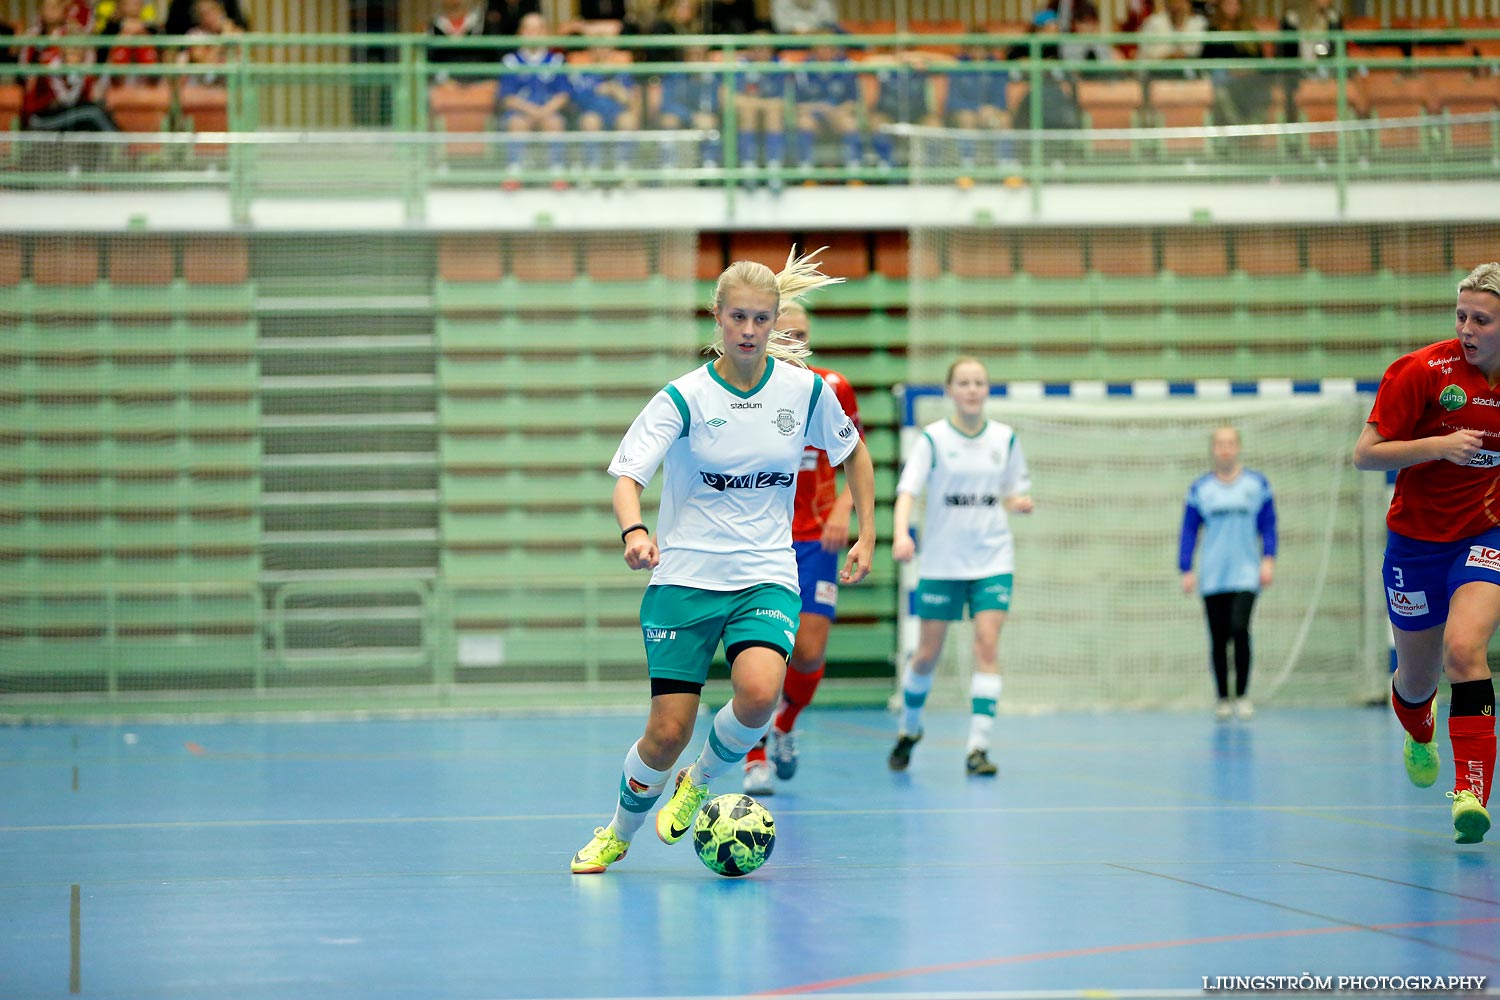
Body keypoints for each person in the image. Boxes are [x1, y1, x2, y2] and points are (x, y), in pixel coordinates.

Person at [570, 247, 876, 874]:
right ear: (716, 316)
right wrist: (634, 529)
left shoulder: (806, 391)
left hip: (764, 573)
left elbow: (855, 453)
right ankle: (618, 831)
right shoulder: (682, 398)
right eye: (737, 317)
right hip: (684, 579)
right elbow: (628, 476)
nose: (749, 331)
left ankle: (701, 782)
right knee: (665, 733)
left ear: (774, 322)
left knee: (760, 694)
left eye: (762, 320)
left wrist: (867, 532)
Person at [1352, 261, 1500, 847]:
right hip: (1415, 545)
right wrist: (1438, 446)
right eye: (1461, 315)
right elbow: (1366, 454)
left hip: (1484, 537)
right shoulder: (1421, 371)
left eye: (1481, 320)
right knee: (1416, 681)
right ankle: (1419, 729)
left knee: (1465, 650)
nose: (1466, 327)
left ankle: (1471, 793)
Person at [740, 303, 864, 795]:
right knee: (759, 653)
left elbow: (855, 455)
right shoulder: (746, 390)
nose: (795, 343)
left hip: (814, 538)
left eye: (802, 334)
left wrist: (844, 509)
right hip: (757, 538)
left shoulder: (830, 387)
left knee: (808, 654)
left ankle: (784, 726)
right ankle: (753, 756)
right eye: (785, 334)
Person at [889, 357, 1034, 777]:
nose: (972, 389)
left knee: (986, 646)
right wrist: (902, 534)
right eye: (964, 383)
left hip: (992, 560)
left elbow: (1011, 491)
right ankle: (909, 728)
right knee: (926, 655)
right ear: (950, 390)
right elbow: (907, 492)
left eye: (979, 383)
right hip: (942, 561)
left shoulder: (1005, 440)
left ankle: (978, 747)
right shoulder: (932, 440)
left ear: (987, 390)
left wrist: (1017, 503)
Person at [1177, 426, 1277, 721]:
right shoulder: (1200, 490)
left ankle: (1243, 695)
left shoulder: (1257, 485)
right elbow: (1188, 531)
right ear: (1213, 448)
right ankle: (1222, 697)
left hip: (1246, 573)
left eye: (1230, 443)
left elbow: (1268, 525)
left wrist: (1268, 559)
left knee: (1239, 629)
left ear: (1238, 447)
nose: (1225, 448)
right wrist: (1186, 568)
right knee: (1218, 637)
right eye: (1220, 443)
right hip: (1213, 575)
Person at [497, 12, 570, 185]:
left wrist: (544, 111)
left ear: (545, 33)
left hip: (548, 111)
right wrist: (532, 110)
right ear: (520, 33)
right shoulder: (510, 61)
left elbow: (563, 94)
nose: (533, 34)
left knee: (555, 123)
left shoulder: (556, 60)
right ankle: (514, 172)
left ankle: (557, 172)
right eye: (528, 29)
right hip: (521, 112)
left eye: (538, 29)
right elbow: (507, 98)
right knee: (516, 124)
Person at [791, 41, 861, 172]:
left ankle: (853, 167)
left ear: (835, 50)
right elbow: (797, 105)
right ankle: (805, 166)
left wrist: (835, 111)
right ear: (814, 50)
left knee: (850, 123)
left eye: (829, 48)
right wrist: (819, 107)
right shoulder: (803, 69)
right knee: (803, 122)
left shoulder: (846, 66)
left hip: (837, 114)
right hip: (814, 114)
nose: (825, 52)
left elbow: (853, 103)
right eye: (821, 48)